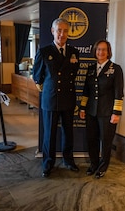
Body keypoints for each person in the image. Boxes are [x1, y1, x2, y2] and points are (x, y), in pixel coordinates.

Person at [33, 18, 80, 178]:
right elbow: (37, 76)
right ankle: (48, 163)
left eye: (65, 31)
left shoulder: (74, 52)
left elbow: (73, 75)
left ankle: (69, 160)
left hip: (68, 98)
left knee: (68, 133)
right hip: (50, 99)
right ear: (53, 31)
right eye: (59, 30)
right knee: (49, 134)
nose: (62, 34)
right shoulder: (44, 51)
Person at [79, 39, 124, 179]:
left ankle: (103, 166)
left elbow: (119, 92)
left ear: (108, 52)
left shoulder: (115, 69)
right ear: (95, 51)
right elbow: (86, 90)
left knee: (106, 140)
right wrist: (82, 108)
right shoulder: (91, 68)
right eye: (98, 49)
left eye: (104, 49)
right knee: (91, 139)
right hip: (91, 111)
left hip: (107, 112)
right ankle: (93, 164)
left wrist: (116, 112)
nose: (101, 52)